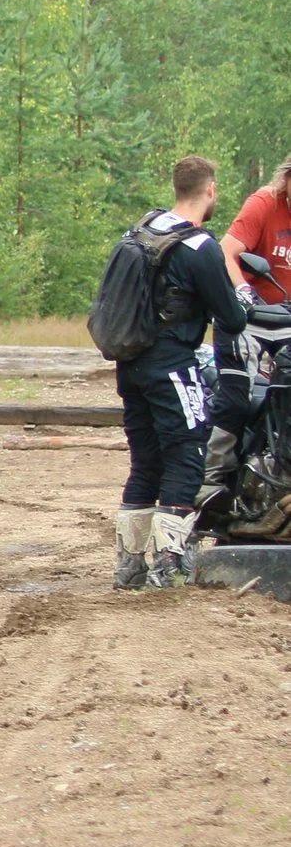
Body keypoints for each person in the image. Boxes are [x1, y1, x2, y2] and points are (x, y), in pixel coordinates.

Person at [116, 156, 245, 589]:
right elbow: (232, 317)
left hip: (130, 364)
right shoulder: (199, 246)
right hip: (172, 366)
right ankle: (169, 567)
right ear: (209, 190)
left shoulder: (142, 231)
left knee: (145, 462)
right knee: (187, 456)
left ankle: (129, 566)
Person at [201, 157, 291, 502]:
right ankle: (211, 477)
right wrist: (243, 292)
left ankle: (280, 468)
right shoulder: (265, 203)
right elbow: (227, 251)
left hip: (287, 318)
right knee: (236, 395)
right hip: (248, 315)